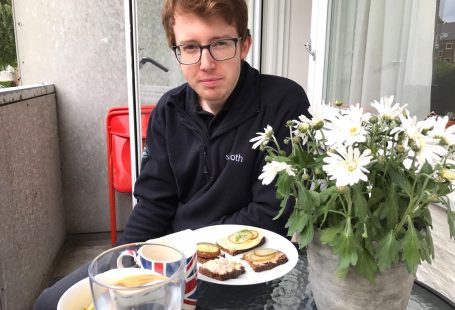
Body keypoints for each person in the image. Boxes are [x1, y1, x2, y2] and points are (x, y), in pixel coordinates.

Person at [34, 0, 310, 308]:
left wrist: (186, 253)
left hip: (241, 271)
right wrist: (120, 266)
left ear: (244, 44)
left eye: (220, 43)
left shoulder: (284, 103)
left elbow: (271, 214)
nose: (205, 63)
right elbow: (153, 205)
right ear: (175, 50)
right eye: (190, 47)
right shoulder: (168, 110)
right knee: (50, 302)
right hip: (166, 260)